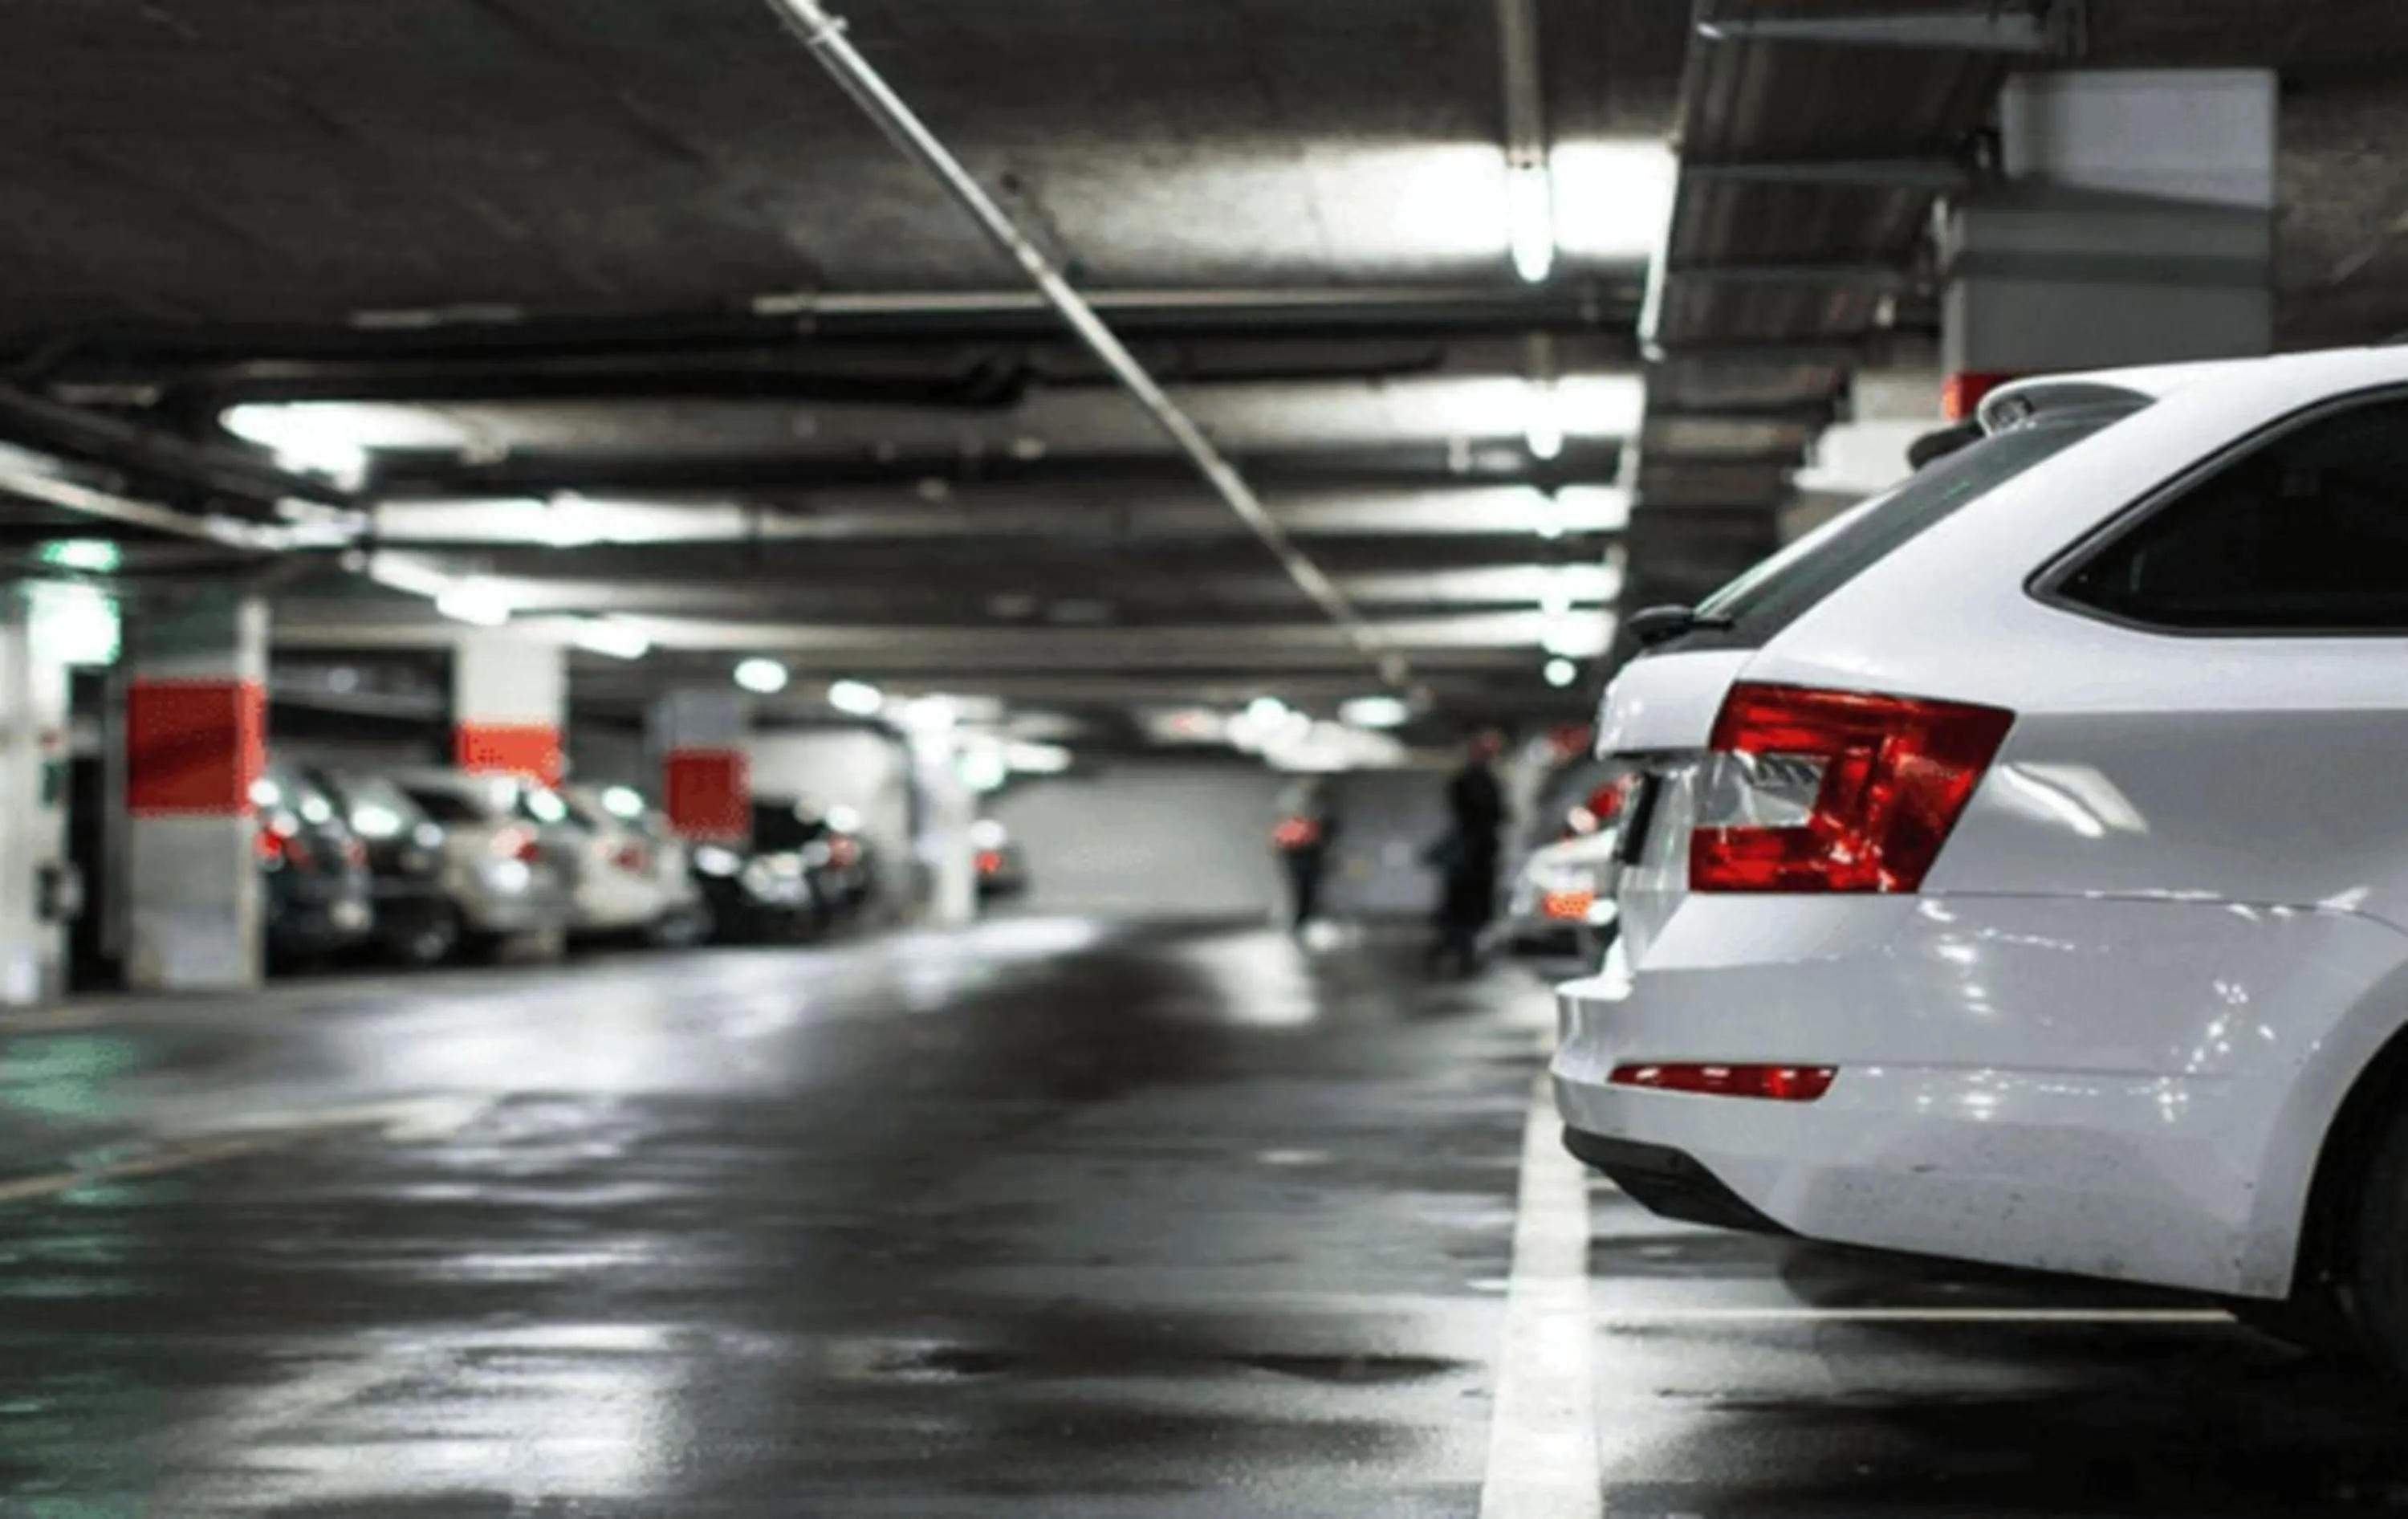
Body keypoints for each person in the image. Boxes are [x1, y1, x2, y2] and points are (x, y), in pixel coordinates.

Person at [1430, 732, 1506, 976]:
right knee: (1464, 910)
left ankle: (1457, 951)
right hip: (1473, 856)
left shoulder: (1475, 780)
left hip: (1476, 856)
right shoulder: (1476, 781)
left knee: (1464, 911)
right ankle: (1458, 952)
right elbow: (1493, 814)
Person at [1272, 779, 1340, 935]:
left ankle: (1304, 920)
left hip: (1306, 849)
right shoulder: (1298, 809)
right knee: (1301, 887)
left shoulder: (1317, 810)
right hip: (1298, 849)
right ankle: (1300, 920)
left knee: (1307, 887)